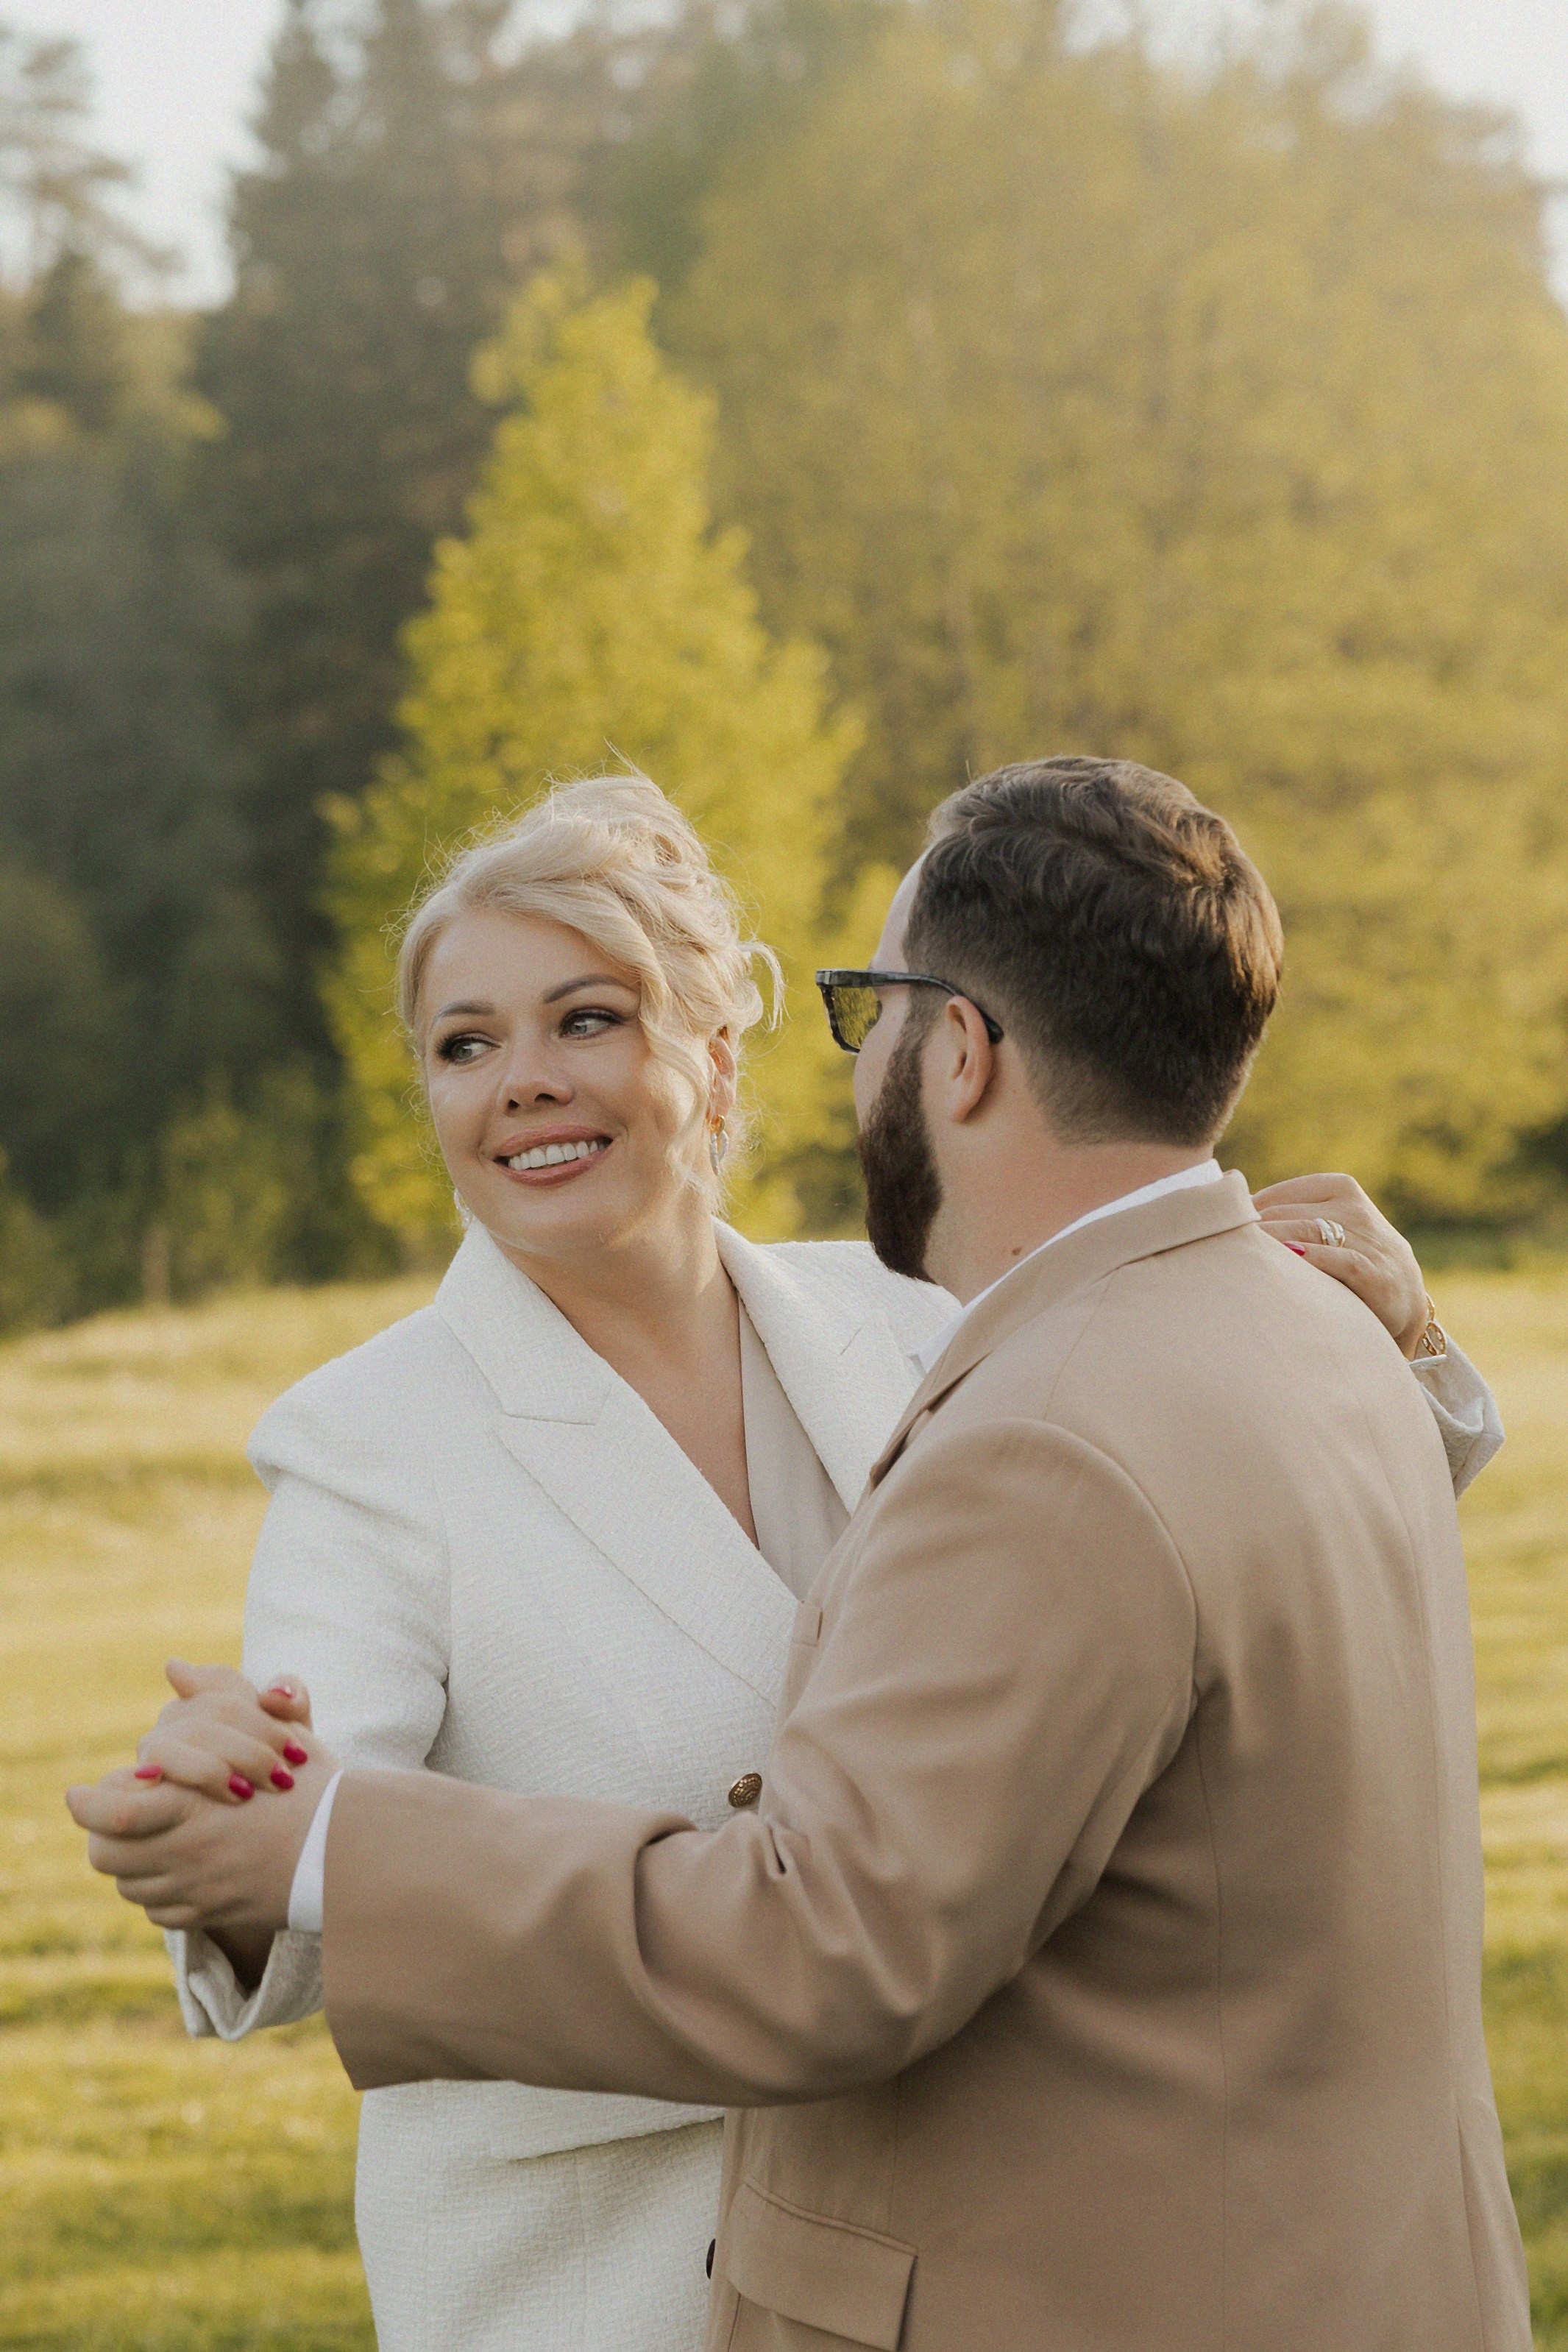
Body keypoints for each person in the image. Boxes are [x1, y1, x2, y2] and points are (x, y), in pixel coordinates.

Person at [73, 759, 1522, 2352]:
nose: (524, 1081)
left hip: (948, 2244)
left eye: (585, 1019)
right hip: (593, 2275)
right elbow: (294, 1852)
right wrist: (232, 1820)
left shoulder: (926, 1314)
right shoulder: (367, 1441)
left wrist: (1380, 1342)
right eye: (464, 1046)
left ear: (713, 1039)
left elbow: (1184, 1557)